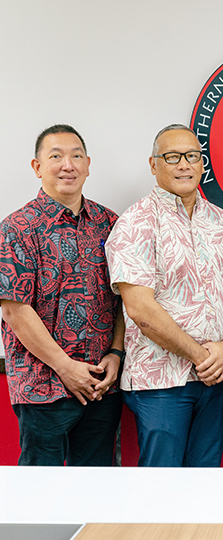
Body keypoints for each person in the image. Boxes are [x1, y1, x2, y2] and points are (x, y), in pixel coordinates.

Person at [105, 124, 223, 467]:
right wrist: (201, 355)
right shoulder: (135, 223)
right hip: (160, 383)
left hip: (214, 377)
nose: (184, 164)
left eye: (192, 156)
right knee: (160, 490)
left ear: (202, 165)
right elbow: (140, 310)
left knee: (203, 485)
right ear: (154, 165)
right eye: (172, 157)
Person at [0, 124, 124, 466]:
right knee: (41, 495)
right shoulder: (17, 228)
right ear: (37, 167)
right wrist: (65, 368)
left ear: (88, 164)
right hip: (42, 388)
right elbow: (14, 310)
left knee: (98, 490)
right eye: (55, 156)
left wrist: (115, 353)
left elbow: (122, 300)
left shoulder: (109, 223)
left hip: (100, 384)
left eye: (76, 155)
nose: (67, 165)